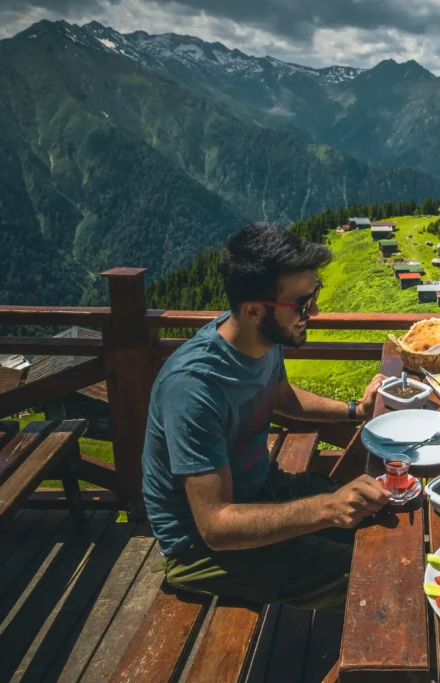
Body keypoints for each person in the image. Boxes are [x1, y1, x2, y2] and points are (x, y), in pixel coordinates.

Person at [142, 223, 391, 611]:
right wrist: (326, 508)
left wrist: (355, 411)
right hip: (200, 549)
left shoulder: (260, 340)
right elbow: (216, 526)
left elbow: (281, 397)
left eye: (315, 295)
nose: (316, 311)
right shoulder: (193, 388)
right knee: (374, 576)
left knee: (382, 520)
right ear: (253, 309)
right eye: (303, 304)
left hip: (259, 490)